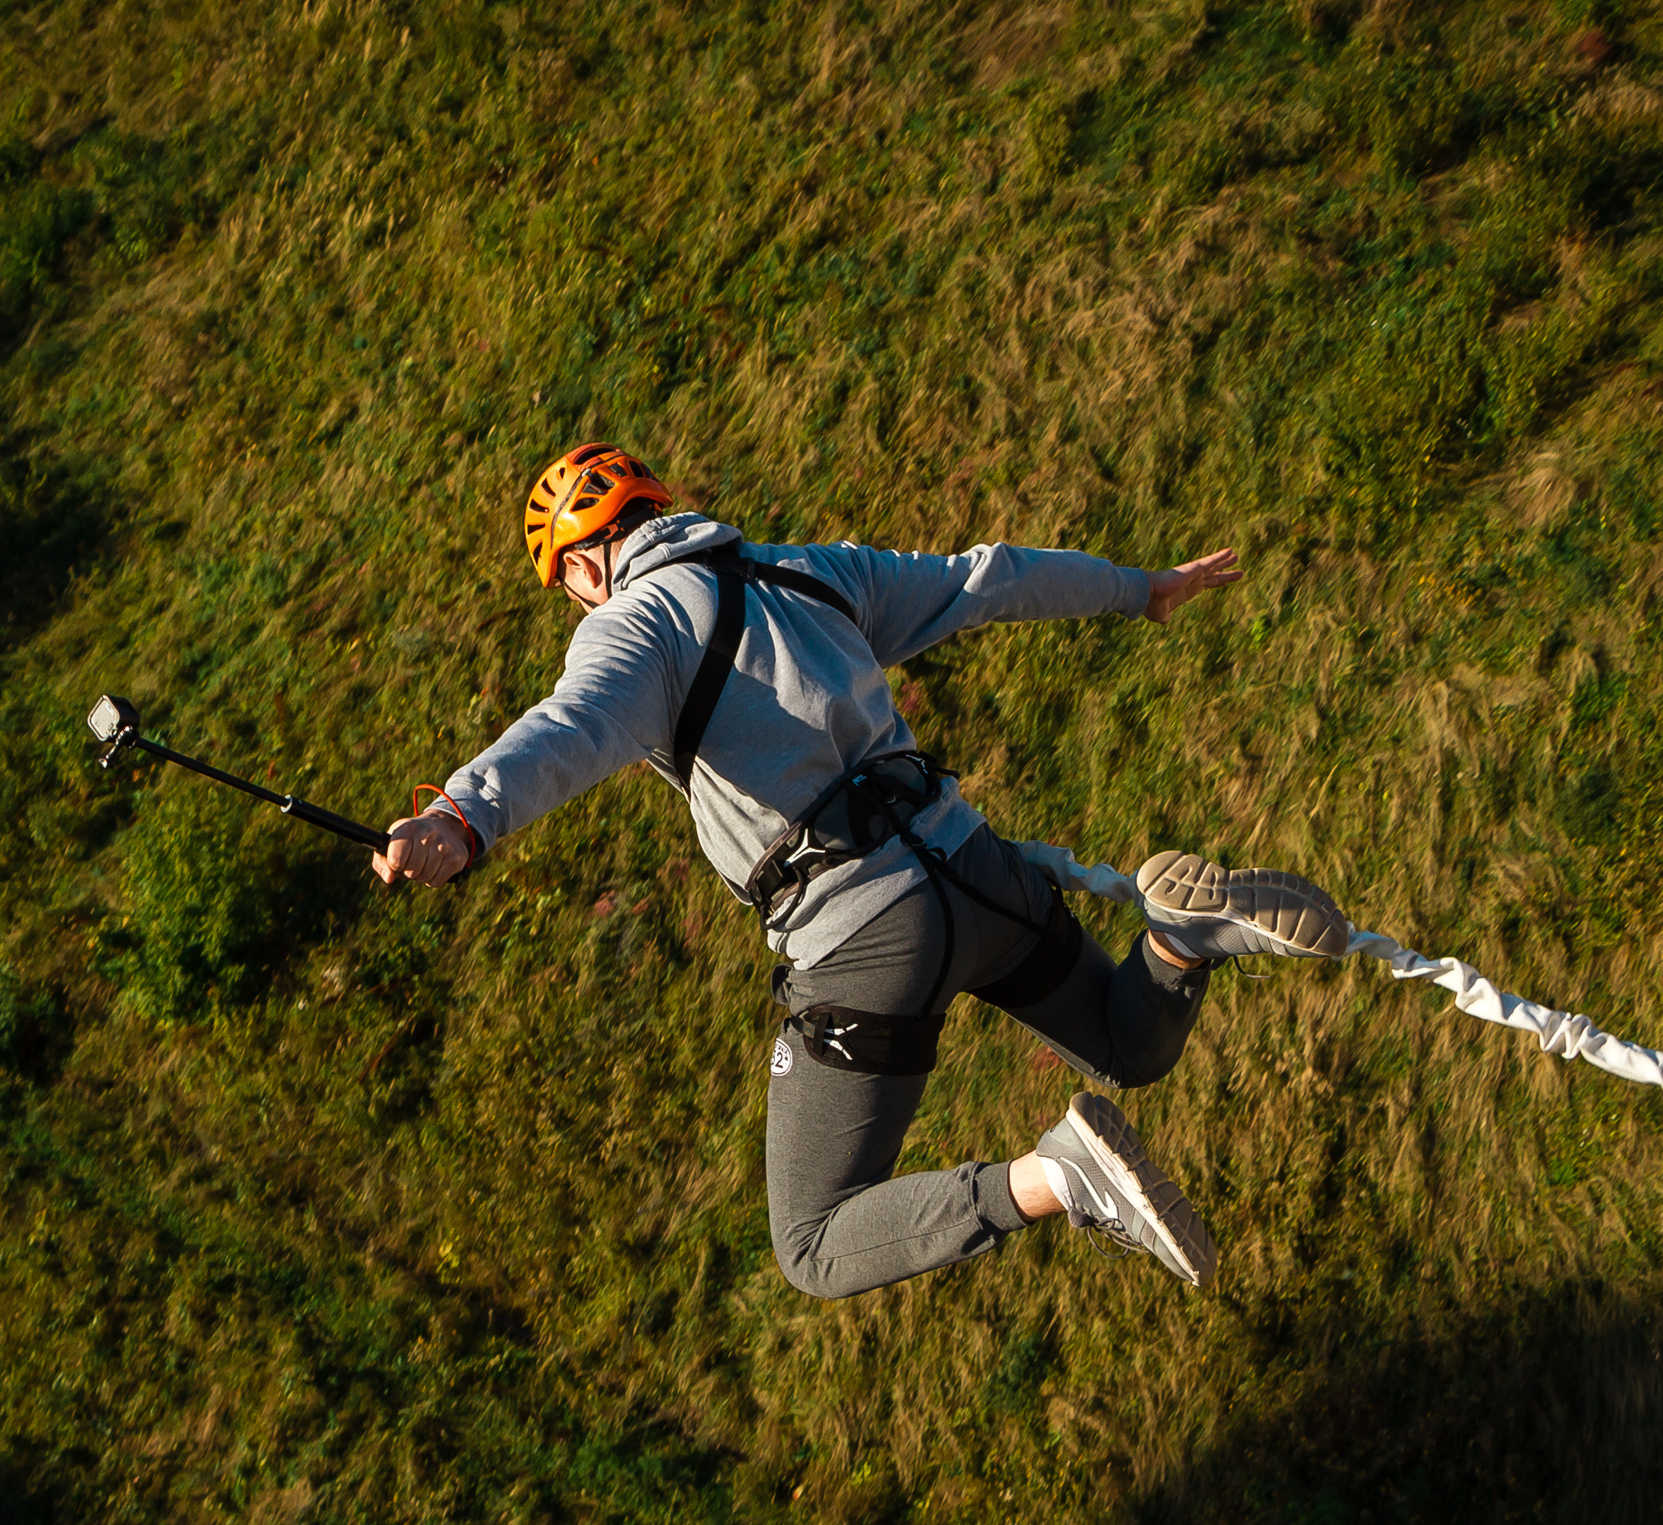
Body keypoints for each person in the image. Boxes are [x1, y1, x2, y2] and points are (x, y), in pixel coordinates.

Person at [373, 443, 1349, 1298]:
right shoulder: (809, 574)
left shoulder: (633, 627)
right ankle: (1179, 942)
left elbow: (573, 725)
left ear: (584, 564)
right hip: (977, 874)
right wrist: (1139, 587)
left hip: (863, 937)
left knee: (812, 1244)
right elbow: (988, 580)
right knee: (1128, 1046)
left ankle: (1059, 1176)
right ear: (658, 507)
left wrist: (462, 816)